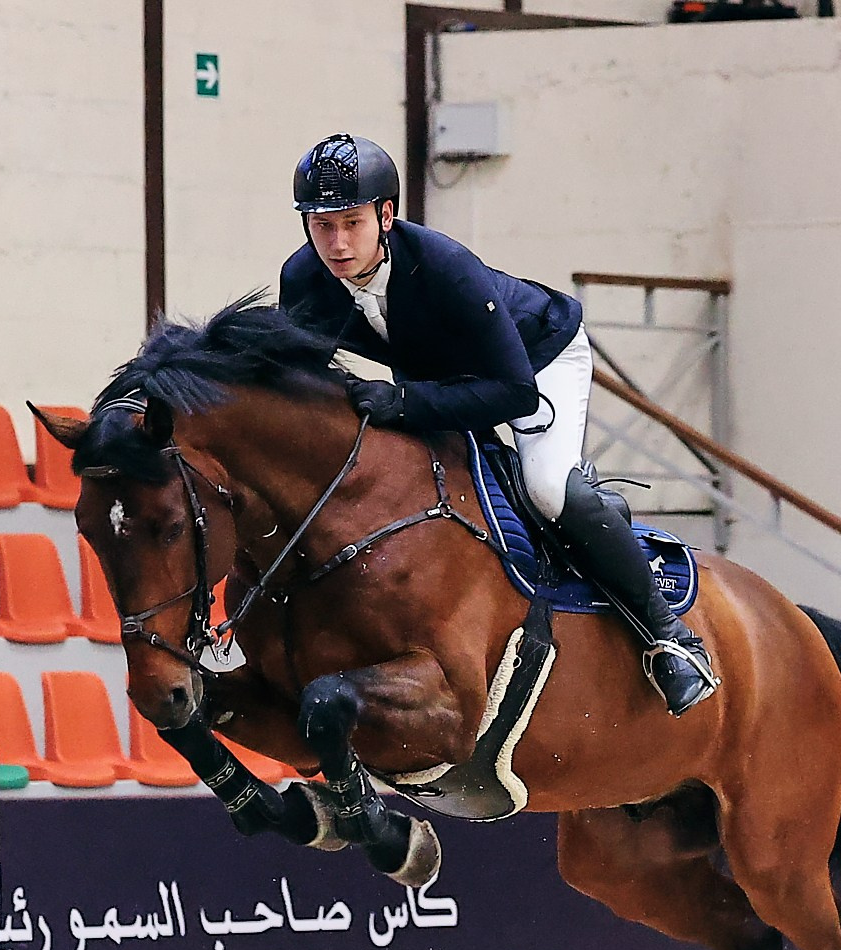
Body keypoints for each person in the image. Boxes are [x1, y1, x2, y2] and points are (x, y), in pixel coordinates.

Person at [277, 132, 718, 716]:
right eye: (321, 225)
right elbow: (295, 387)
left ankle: (670, 640)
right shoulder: (304, 280)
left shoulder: (443, 266)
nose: (335, 242)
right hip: (439, 374)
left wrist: (403, 403)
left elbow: (512, 393)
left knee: (547, 489)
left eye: (351, 222)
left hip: (536, 361)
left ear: (386, 215)